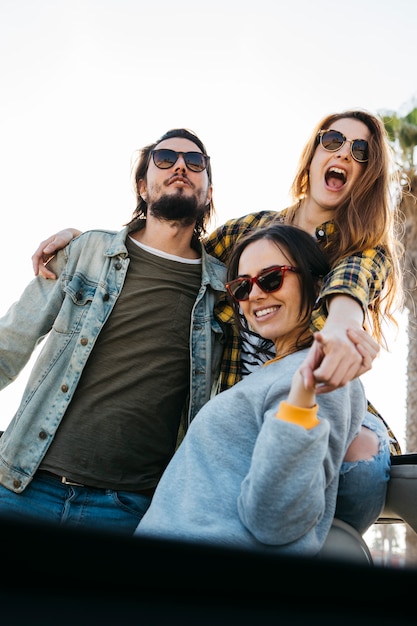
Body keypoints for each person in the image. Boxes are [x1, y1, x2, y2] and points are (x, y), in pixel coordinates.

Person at [33, 110, 402, 534]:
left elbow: (350, 288)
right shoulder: (251, 232)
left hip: (317, 398)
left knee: (363, 463)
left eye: (361, 151)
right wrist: (87, 246)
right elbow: (170, 253)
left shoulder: (365, 249)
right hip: (244, 401)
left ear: (368, 174)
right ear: (314, 153)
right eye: (333, 141)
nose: (345, 154)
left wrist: (339, 328)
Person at [0, 128, 228, 534]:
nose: (181, 166)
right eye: (166, 158)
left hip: (130, 510)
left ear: (208, 192)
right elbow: (9, 345)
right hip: (24, 485)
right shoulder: (87, 252)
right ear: (143, 186)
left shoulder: (224, 290)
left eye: (196, 163)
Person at [134, 223, 366, 555]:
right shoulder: (273, 372)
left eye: (272, 278)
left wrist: (302, 396)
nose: (255, 294)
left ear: (315, 282)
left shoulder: (318, 375)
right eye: (242, 287)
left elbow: (276, 520)